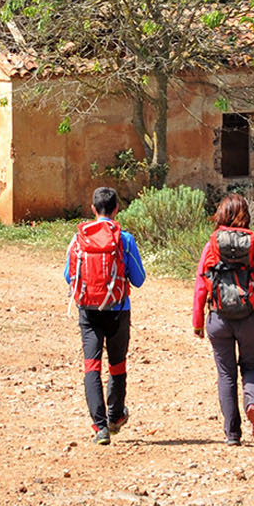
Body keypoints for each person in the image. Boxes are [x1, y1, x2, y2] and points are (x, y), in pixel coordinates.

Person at [192, 193, 254, 445]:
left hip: (219, 318)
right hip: (251, 319)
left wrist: (197, 321)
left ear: (221, 214)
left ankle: (232, 434)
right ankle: (252, 403)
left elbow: (201, 285)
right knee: (251, 367)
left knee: (226, 375)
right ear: (246, 214)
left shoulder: (211, 245)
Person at [64, 185, 146, 445]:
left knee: (92, 365)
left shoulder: (79, 238)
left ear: (92, 209)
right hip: (118, 310)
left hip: (88, 310)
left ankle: (99, 428)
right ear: (116, 209)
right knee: (117, 364)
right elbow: (139, 279)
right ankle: (115, 417)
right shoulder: (125, 239)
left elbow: (69, 276)